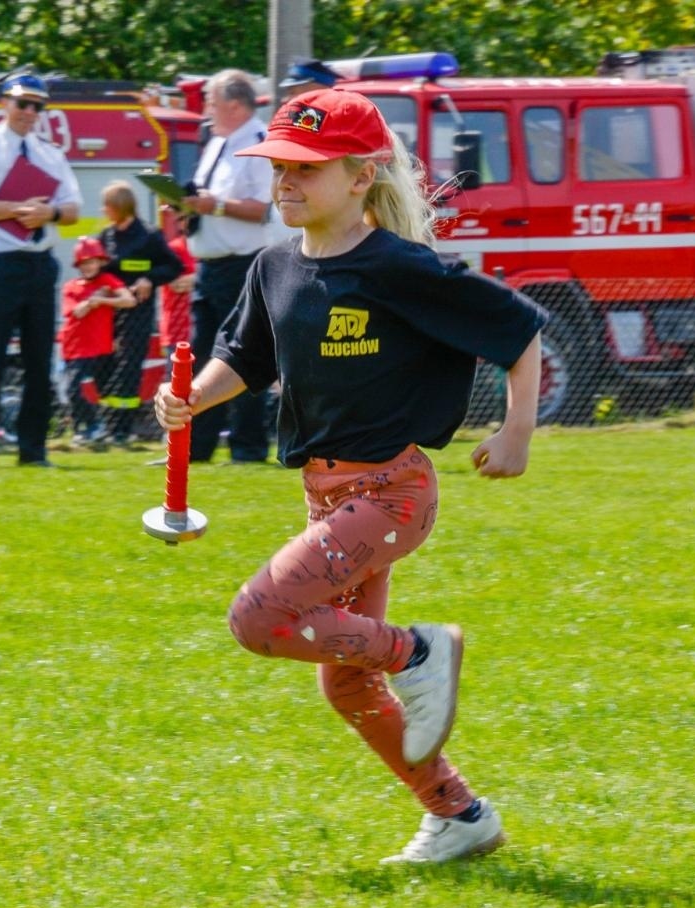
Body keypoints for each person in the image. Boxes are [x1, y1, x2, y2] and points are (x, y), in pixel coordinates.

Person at [154, 89, 546, 864]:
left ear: (362, 177)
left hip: (392, 493)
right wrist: (190, 398)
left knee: (258, 619)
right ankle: (459, 815)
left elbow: (518, 329)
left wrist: (516, 431)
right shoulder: (272, 266)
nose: (285, 182)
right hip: (326, 495)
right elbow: (246, 358)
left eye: (306, 168)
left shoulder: (398, 266)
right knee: (345, 685)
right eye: (277, 168)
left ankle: (422, 652)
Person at [0, 71, 82, 467]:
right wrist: (16, 210)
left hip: (39, 263)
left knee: (40, 360)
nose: (28, 112)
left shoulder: (50, 153)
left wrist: (49, 212)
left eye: (36, 106)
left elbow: (73, 209)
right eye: (22, 103)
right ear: (4, 103)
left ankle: (33, 449)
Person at [178, 70, 275, 464]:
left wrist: (213, 205)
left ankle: (248, 447)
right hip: (210, 267)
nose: (205, 109)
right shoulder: (217, 142)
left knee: (243, 356)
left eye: (210, 101)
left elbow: (262, 209)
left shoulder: (259, 143)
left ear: (235, 105)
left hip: (243, 265)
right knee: (202, 357)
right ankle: (197, 447)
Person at [96, 181, 182, 445]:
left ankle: (121, 429)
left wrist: (149, 279)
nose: (104, 210)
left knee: (128, 367)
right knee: (103, 366)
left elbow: (173, 266)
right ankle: (106, 423)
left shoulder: (148, 236)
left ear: (120, 207)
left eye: (108, 206)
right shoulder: (106, 237)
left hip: (137, 314)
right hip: (108, 312)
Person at [58, 235, 135, 445]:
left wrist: (101, 299)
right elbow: (77, 312)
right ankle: (87, 427)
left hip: (100, 347)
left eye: (91, 262)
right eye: (83, 263)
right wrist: (90, 302)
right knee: (74, 389)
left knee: (101, 390)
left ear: (100, 262)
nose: (88, 267)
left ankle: (97, 428)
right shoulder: (71, 286)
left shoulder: (107, 281)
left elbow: (129, 300)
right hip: (75, 347)